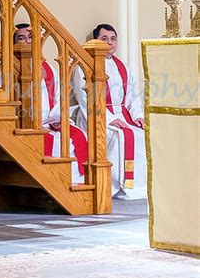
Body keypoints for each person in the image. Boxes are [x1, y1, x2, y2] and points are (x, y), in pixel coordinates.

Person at [72, 23, 147, 199]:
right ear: (95, 41)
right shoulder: (83, 66)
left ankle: (137, 185)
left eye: (113, 39)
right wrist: (110, 119)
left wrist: (138, 116)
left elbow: (134, 97)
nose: (110, 43)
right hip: (96, 116)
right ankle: (115, 185)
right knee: (119, 136)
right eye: (104, 39)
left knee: (141, 134)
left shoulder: (123, 67)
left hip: (123, 116)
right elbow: (85, 99)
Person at [14, 24, 87, 184]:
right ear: (14, 43)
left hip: (49, 120)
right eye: (21, 38)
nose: (27, 41)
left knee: (79, 135)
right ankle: (53, 182)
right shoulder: (11, 68)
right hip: (26, 122)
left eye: (30, 37)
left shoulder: (49, 69)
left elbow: (59, 97)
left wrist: (56, 118)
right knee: (53, 142)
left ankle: (78, 181)